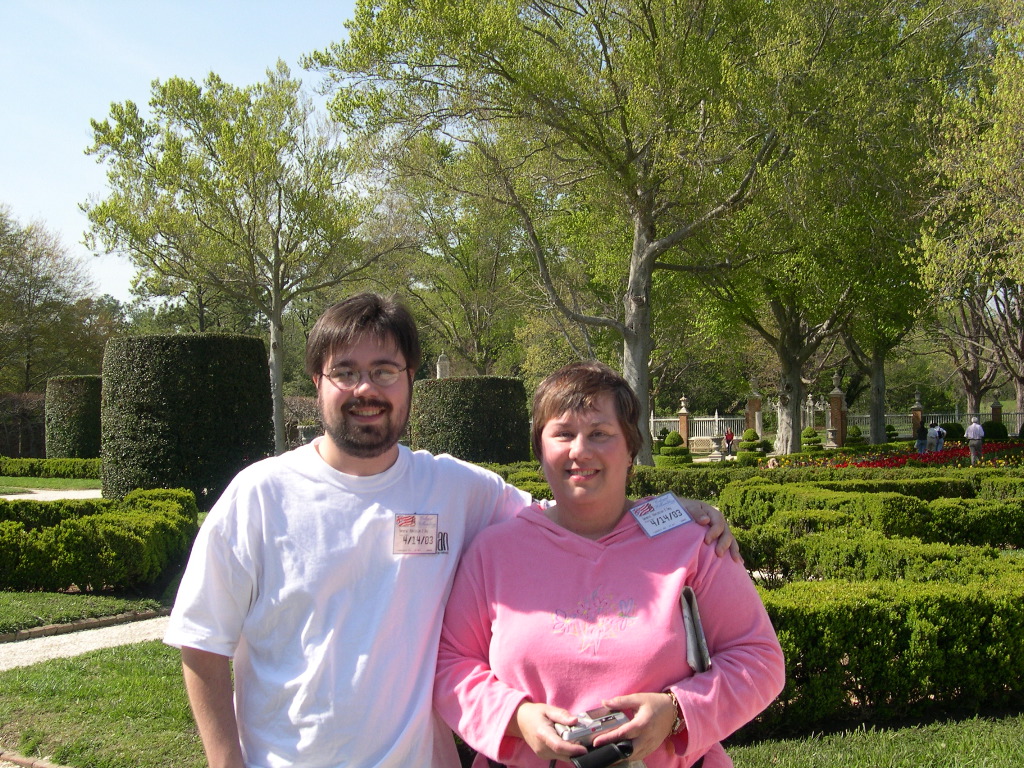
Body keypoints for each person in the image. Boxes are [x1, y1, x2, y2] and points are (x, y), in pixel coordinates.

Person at [163, 293, 737, 768]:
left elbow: (572, 507)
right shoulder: (259, 496)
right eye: (346, 372)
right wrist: (225, 763)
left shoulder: (456, 491)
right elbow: (202, 640)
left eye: (384, 371)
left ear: (410, 380)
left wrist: (670, 509)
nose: (366, 389)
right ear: (317, 381)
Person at [434, 361, 785, 768]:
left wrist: (676, 712)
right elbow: (451, 664)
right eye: (562, 434)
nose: (579, 450)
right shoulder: (492, 552)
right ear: (539, 447)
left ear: (631, 447)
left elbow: (758, 659)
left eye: (599, 433)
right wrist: (516, 718)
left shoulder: (693, 544)